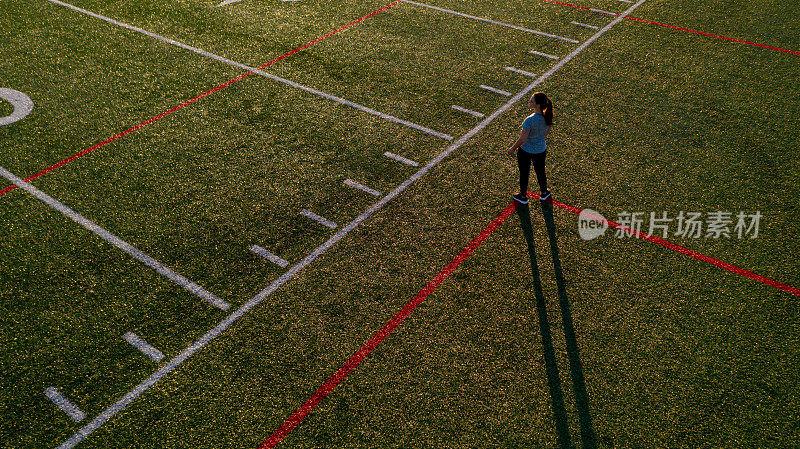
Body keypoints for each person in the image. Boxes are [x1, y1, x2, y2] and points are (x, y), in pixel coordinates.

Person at [506, 91, 553, 204]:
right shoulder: (547, 117)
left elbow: (523, 139)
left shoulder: (530, 120)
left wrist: (513, 148)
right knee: (540, 171)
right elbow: (546, 133)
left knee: (524, 172)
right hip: (541, 149)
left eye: (531, 100)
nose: (529, 101)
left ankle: (523, 196)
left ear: (537, 105)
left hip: (526, 150)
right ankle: (544, 192)